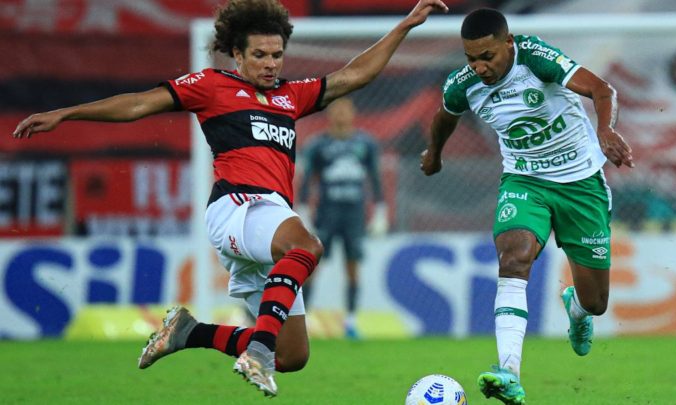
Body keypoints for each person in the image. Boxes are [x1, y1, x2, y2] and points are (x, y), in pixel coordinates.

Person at [13, 0, 448, 398]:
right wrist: (67, 113)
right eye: (259, 55)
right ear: (237, 55)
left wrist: (404, 26)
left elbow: (354, 75)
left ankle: (189, 332)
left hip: (270, 217)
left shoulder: (289, 96)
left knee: (292, 356)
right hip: (236, 208)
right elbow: (139, 104)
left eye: (276, 55)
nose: (270, 64)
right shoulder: (212, 85)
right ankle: (256, 350)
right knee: (307, 247)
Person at [420, 8, 633, 405]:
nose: (479, 67)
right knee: (514, 259)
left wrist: (605, 130)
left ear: (508, 43)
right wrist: (434, 153)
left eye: (487, 56)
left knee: (596, 302)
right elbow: (443, 117)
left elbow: (603, 89)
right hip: (524, 182)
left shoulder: (536, 58)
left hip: (580, 183)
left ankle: (577, 310)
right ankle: (509, 372)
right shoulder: (464, 84)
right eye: (471, 58)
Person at [297, 97, 388, 339]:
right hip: (327, 213)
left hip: (354, 215)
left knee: (352, 267)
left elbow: (375, 178)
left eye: (345, 110)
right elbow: (306, 180)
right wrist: (304, 210)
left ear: (353, 114)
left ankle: (350, 321)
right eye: (336, 111)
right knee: (313, 266)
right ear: (329, 115)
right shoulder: (317, 145)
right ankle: (302, 320)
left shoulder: (365, 143)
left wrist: (380, 210)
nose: (341, 116)